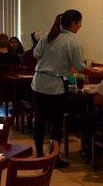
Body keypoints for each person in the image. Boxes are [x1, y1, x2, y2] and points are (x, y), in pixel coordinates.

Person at [32, 10, 85, 168]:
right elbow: (79, 66)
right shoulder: (72, 41)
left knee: (39, 119)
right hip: (55, 86)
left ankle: (40, 154)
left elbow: (36, 54)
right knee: (56, 122)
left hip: (39, 82)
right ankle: (54, 156)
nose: (81, 26)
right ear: (73, 23)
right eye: (80, 23)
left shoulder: (48, 35)